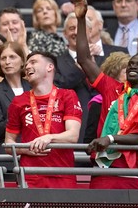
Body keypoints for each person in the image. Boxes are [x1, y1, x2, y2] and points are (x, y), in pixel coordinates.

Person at [73, 0, 138, 189]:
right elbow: (83, 58)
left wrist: (110, 138)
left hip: (133, 174)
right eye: (131, 64)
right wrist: (81, 20)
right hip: (103, 172)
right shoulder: (111, 87)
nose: (133, 67)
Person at [5, 51, 82, 188]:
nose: (27, 66)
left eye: (33, 62)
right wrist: (25, 150)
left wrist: (49, 137)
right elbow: (8, 142)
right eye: (27, 64)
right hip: (29, 175)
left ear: (49, 67)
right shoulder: (18, 101)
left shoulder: (67, 96)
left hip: (63, 174)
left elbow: (73, 135)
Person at [54, 13, 97, 142]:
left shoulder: (105, 57)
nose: (76, 32)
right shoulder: (56, 62)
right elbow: (60, 84)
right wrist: (81, 64)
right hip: (74, 124)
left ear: (90, 32)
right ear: (65, 33)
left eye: (80, 28)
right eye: (71, 28)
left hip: (105, 123)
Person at [0, 41, 31, 156]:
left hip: (34, 152)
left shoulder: (33, 87)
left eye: (12, 57)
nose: (7, 62)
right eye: (3, 58)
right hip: (8, 156)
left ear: (22, 61)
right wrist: (20, 116)